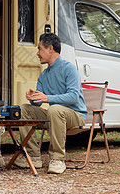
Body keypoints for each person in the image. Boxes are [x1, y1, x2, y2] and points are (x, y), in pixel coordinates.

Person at [14, 33, 87, 174]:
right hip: (55, 116)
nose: (37, 53)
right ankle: (33, 156)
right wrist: (33, 98)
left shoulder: (69, 69)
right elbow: (38, 105)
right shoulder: (44, 75)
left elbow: (73, 97)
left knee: (55, 109)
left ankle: (58, 159)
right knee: (23, 109)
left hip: (75, 115)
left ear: (50, 49)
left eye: (40, 49)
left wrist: (47, 98)